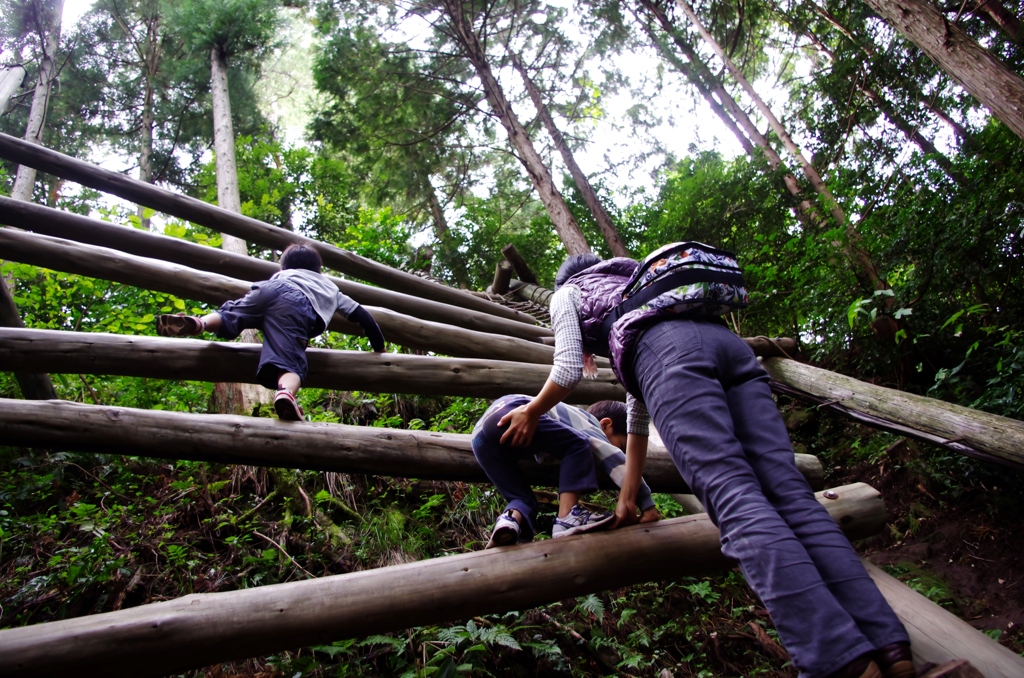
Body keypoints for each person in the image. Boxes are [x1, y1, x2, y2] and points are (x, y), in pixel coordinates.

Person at [498, 252, 914, 678]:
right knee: (790, 494)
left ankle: (839, 660)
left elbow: (567, 368)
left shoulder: (568, 292)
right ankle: (890, 649)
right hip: (731, 350)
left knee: (736, 499)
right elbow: (638, 412)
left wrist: (532, 411)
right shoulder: (637, 285)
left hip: (671, 357)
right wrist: (628, 494)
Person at [155, 243, 386, 421]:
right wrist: (379, 347)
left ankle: (200, 323)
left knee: (232, 312)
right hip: (296, 304)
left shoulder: (282, 275)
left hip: (267, 288)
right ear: (318, 269)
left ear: (285, 266)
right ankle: (286, 394)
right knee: (290, 359)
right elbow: (362, 316)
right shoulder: (329, 287)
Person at [473, 395, 659, 547]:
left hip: (480, 439)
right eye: (621, 445)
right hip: (512, 411)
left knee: (521, 498)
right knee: (579, 444)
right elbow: (613, 457)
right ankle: (567, 516)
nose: (620, 451)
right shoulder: (590, 424)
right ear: (606, 425)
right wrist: (646, 504)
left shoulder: (560, 427)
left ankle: (509, 521)